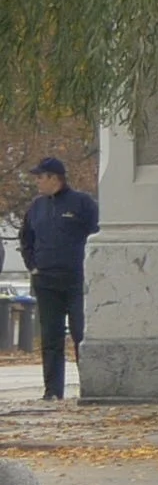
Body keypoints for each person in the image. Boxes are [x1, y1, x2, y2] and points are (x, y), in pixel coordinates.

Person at [19, 159, 96, 403]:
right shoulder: (36, 207)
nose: (37, 182)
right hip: (46, 281)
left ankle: (90, 387)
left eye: (40, 177)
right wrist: (33, 266)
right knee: (51, 337)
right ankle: (52, 390)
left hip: (76, 280)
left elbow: (97, 234)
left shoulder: (82, 203)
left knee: (80, 334)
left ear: (54, 178)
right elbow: (26, 240)